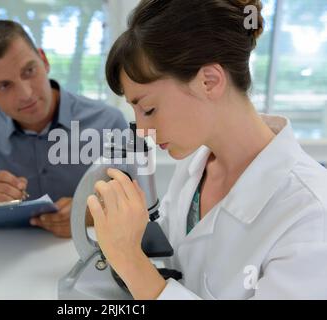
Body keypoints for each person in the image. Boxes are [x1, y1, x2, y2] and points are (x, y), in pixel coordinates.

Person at [87, 0, 327, 299]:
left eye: (148, 108)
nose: (143, 129)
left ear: (209, 81)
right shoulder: (195, 167)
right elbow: (178, 259)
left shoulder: (312, 215)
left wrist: (132, 263)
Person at [0, 20, 128, 238]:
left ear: (44, 61)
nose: (25, 94)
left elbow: (138, 206)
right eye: (4, 86)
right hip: (8, 260)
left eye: (29, 71)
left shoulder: (108, 122)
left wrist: (87, 213)